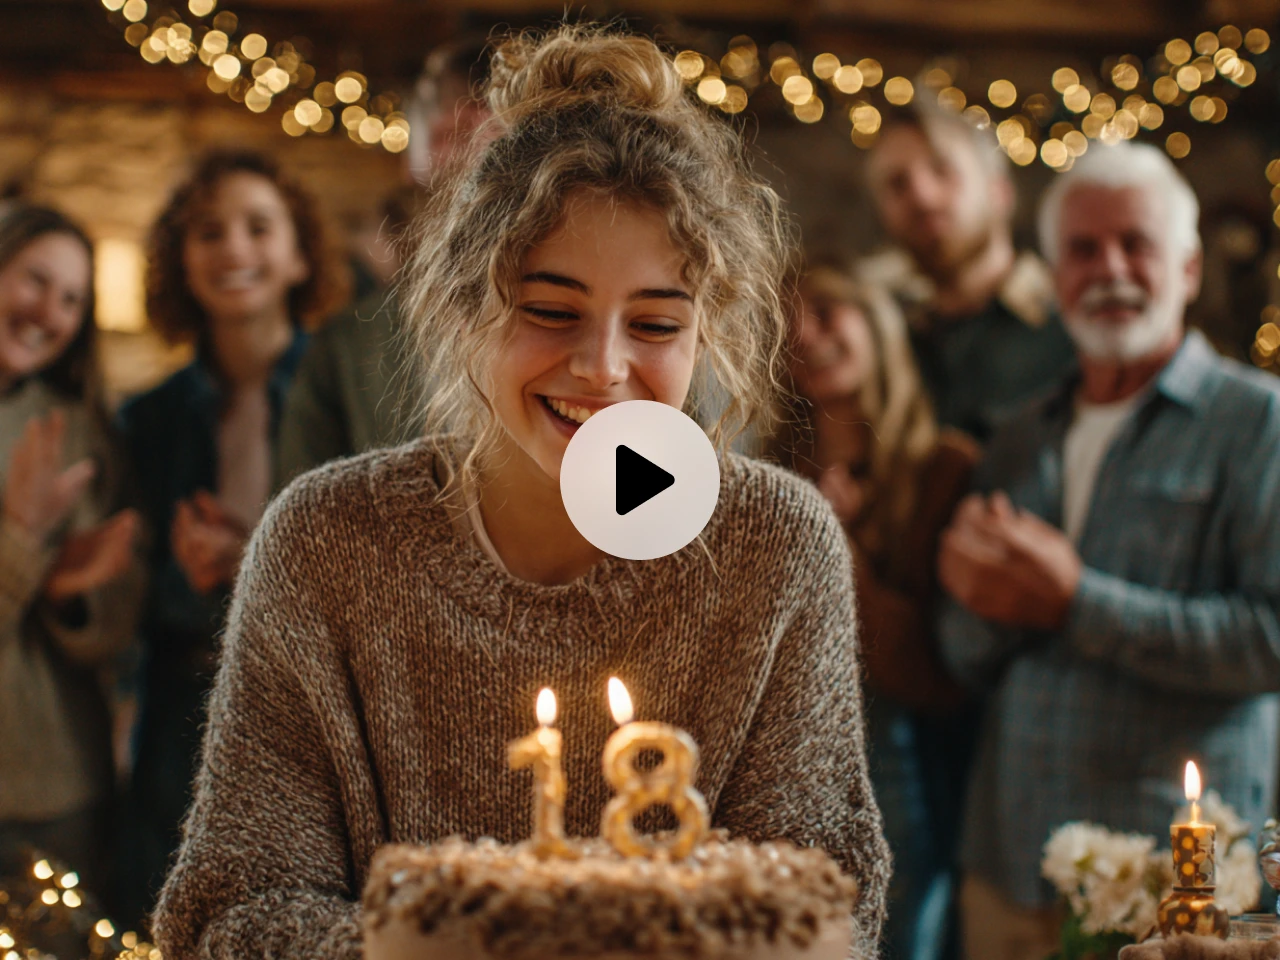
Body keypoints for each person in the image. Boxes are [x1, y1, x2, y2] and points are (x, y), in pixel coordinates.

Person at [152, 25, 891, 960]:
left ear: (708, 336)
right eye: (550, 311)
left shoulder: (776, 546)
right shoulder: (325, 542)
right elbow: (234, 912)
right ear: (463, 308)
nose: (604, 367)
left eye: (657, 322)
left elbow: (830, 908)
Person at [937, 141, 1280, 960]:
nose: (1110, 268)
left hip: (1176, 879)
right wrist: (976, 605)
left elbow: (1270, 641)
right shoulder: (1019, 434)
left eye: (1138, 244)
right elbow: (963, 654)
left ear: (1189, 269)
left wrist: (1073, 600)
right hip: (1009, 861)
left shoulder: (1258, 423)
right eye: (1083, 250)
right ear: (1054, 278)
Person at [116, 151, 348, 923]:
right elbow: (129, 593)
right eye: (208, 232)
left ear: (299, 253)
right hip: (178, 705)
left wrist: (254, 562)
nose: (234, 250)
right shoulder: (146, 419)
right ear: (181, 260)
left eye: (258, 227)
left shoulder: (345, 392)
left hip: (305, 706)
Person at [772, 262, 974, 960]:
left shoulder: (945, 469)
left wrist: (836, 548)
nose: (804, 331)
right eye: (787, 317)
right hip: (780, 768)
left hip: (899, 770)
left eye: (826, 309)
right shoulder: (769, 476)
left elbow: (928, 675)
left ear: (877, 323)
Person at [275, 39, 493, 486]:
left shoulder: (600, 329)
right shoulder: (345, 348)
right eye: (450, 137)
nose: (468, 161)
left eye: (491, 138)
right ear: (414, 155)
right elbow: (300, 518)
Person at [0, 204, 141, 890]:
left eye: (71, 300)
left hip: (56, 787)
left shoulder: (71, 427)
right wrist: (23, 539)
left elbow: (114, 633)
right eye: (35, 280)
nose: (49, 312)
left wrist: (73, 599)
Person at [864, 103, 1076, 443]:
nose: (921, 195)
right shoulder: (885, 341)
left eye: (941, 169)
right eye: (897, 184)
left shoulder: (1073, 321)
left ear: (1000, 191)